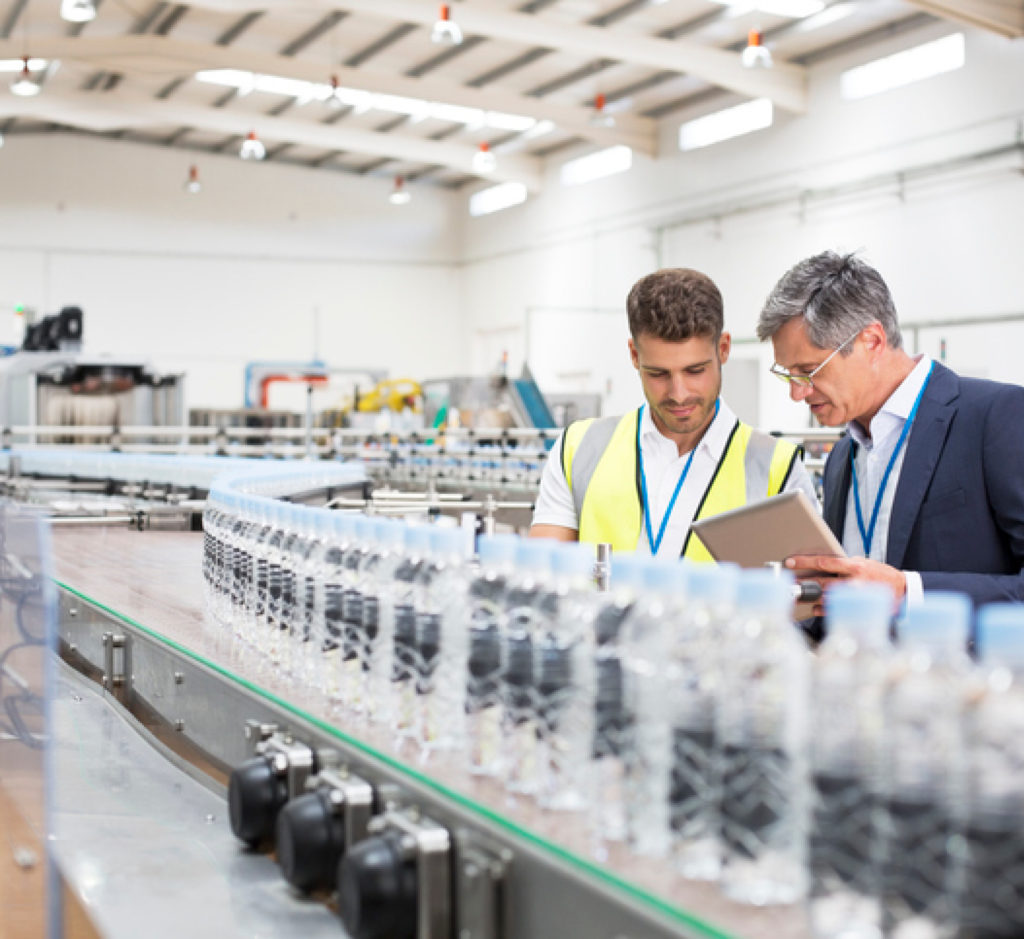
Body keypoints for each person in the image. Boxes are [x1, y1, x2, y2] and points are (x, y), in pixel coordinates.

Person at [757, 250, 1024, 615]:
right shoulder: (841, 458)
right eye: (789, 375)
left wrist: (908, 591)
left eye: (808, 370)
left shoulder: (996, 417)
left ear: (872, 341)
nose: (797, 392)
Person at [530, 267, 817, 558]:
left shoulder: (777, 469)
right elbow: (543, 578)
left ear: (723, 348)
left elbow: (803, 595)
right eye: (658, 373)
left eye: (695, 371)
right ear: (634, 355)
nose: (678, 394)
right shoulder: (579, 450)